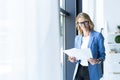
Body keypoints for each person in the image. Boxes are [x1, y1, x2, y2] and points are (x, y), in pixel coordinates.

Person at [68, 12, 106, 80]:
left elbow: (102, 55)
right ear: (78, 24)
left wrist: (96, 61)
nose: (83, 25)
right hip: (79, 70)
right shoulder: (77, 38)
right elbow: (77, 55)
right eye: (80, 23)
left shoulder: (98, 36)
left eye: (85, 22)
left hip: (92, 71)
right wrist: (73, 59)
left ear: (89, 22)